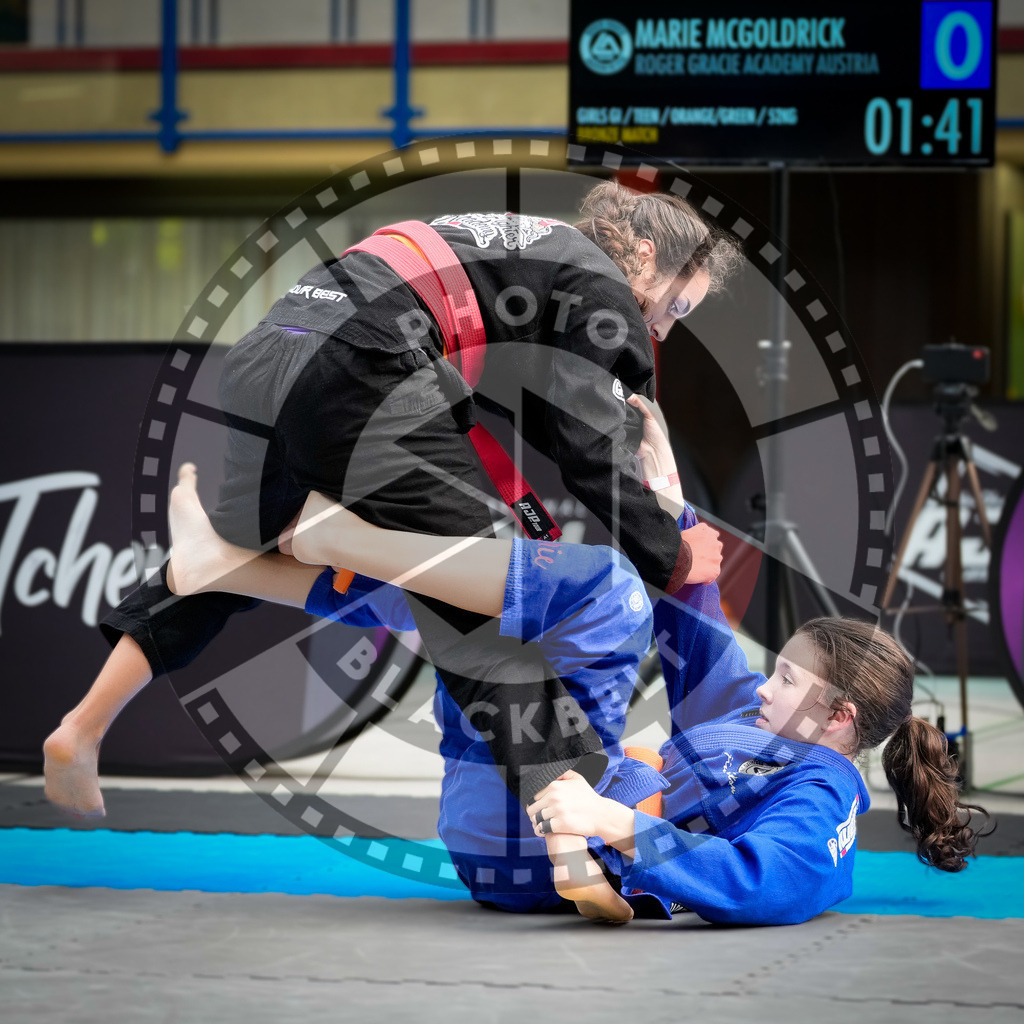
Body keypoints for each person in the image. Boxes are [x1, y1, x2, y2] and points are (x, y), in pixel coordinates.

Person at [48, 395, 989, 926]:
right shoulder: (752, 717)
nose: (766, 681)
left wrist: (615, 821)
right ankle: (231, 566)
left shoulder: (822, 795)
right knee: (475, 610)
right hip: (511, 816)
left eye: (790, 679)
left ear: (839, 724)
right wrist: (668, 500)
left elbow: (768, 883)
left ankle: (314, 542)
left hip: (544, 836)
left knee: (605, 592)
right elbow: (696, 615)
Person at [44, 181, 740, 818]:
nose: (662, 328)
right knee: (474, 593)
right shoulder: (596, 280)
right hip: (362, 370)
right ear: (645, 257)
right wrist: (670, 549)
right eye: (674, 305)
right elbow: (588, 440)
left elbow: (530, 414)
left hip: (269, 354)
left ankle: (81, 729)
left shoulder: (530, 246)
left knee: (219, 563)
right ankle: (572, 811)